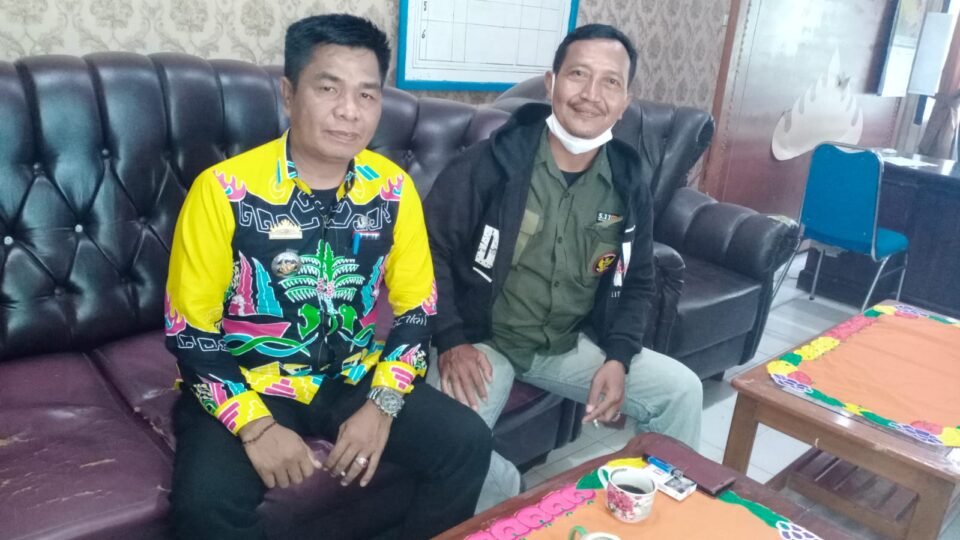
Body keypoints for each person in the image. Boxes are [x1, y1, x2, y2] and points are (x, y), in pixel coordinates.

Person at [165, 14, 490, 539]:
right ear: (289, 94)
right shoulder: (224, 190)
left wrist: (382, 405)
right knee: (205, 506)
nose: (349, 111)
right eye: (328, 88)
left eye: (367, 94)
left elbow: (418, 308)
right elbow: (188, 329)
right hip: (250, 378)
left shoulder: (392, 190)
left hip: (352, 375)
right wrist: (255, 425)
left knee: (466, 442)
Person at [424, 23, 703, 512]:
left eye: (610, 82)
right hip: (483, 341)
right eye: (578, 75)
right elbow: (430, 252)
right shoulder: (491, 163)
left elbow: (636, 279)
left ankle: (650, 516)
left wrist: (618, 356)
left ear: (624, 101)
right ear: (552, 83)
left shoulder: (628, 181)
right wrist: (450, 340)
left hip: (564, 344)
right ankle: (511, 495)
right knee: (451, 448)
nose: (591, 94)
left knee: (681, 390)